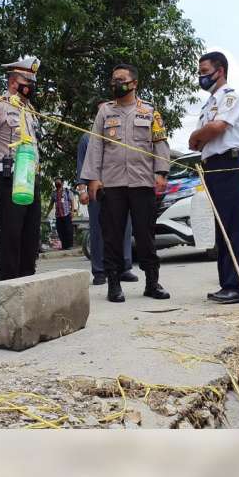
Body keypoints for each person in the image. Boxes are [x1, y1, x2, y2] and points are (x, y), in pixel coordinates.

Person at [82, 63, 171, 303]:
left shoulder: (150, 112)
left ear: (134, 83)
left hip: (142, 182)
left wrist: (161, 173)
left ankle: (152, 282)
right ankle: (114, 284)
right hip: (112, 184)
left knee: (145, 235)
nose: (115, 83)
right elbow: (95, 146)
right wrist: (93, 178)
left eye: (120, 79)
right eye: (113, 79)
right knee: (112, 235)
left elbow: (160, 143)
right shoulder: (105, 112)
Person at [188, 51, 239, 305]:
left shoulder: (230, 98)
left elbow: (216, 128)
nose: (201, 77)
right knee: (222, 228)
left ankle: (238, 286)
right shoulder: (208, 105)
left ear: (220, 70)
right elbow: (198, 142)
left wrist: (198, 135)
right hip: (212, 165)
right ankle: (228, 283)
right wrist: (199, 136)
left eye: (205, 72)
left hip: (228, 164)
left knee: (233, 227)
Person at [0, 56, 42, 281]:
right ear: (14, 82)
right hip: (9, 177)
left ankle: (27, 279)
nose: (32, 85)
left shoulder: (30, 110)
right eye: (28, 80)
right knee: (10, 235)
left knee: (31, 235)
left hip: (31, 178)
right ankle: (9, 283)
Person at [76, 110, 139, 286]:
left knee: (125, 227)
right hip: (97, 189)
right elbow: (81, 167)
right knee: (98, 230)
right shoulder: (87, 138)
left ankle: (124, 268)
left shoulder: (121, 135)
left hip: (120, 186)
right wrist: (82, 190)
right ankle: (99, 271)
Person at [47, 178, 76, 250]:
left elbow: (72, 201)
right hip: (58, 215)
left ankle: (70, 246)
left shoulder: (67, 191)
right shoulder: (53, 193)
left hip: (66, 214)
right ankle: (64, 246)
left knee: (68, 230)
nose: (56, 182)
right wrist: (47, 213)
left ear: (62, 183)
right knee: (60, 230)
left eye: (58, 181)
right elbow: (51, 204)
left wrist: (72, 211)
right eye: (55, 182)